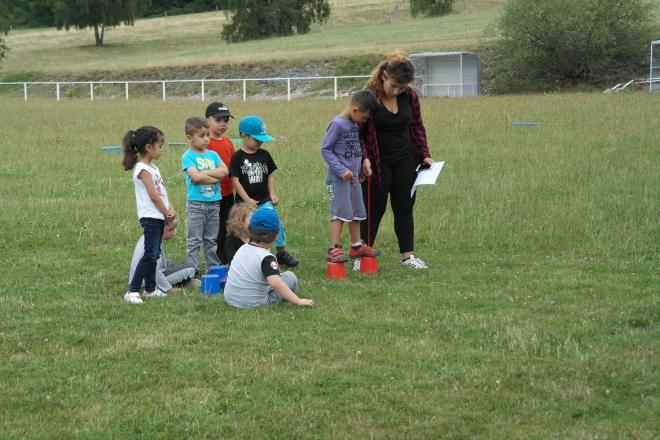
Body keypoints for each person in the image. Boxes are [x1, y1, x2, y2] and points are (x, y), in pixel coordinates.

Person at [358, 51, 434, 270]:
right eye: (394, 85)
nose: (398, 90)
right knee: (374, 209)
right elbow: (358, 132)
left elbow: (417, 126)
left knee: (404, 207)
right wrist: (364, 158)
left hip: (405, 160)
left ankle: (408, 256)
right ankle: (363, 255)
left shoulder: (409, 96)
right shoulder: (368, 97)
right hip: (376, 163)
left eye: (402, 86)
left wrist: (424, 154)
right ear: (384, 75)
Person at [229, 115, 300, 268]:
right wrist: (247, 199)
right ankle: (249, 256)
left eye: (262, 139)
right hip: (245, 204)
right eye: (256, 139)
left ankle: (281, 253)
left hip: (264, 200)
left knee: (275, 223)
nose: (260, 142)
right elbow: (235, 181)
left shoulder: (264, 154)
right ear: (243, 136)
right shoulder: (237, 158)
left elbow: (270, 175)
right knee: (247, 229)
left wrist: (272, 194)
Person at [321, 89, 382, 263]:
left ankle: (356, 246)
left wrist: (363, 163)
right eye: (364, 118)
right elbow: (325, 149)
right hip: (339, 178)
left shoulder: (353, 124)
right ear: (355, 110)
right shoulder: (337, 124)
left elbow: (354, 149)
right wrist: (341, 170)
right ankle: (334, 249)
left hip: (353, 178)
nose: (364, 121)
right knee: (340, 213)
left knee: (355, 211)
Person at [121, 126, 175, 304]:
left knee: (155, 254)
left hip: (158, 215)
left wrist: (170, 207)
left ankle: (150, 289)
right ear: (148, 147)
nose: (162, 149)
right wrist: (166, 211)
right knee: (150, 255)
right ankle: (133, 290)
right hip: (151, 217)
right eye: (160, 145)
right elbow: (153, 195)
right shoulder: (142, 169)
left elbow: (161, 192)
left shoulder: (153, 168)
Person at [224, 205, 314, 308]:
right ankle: (290, 295)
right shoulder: (267, 258)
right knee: (290, 277)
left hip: (231, 299)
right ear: (275, 235)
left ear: (250, 230)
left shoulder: (242, 248)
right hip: (254, 303)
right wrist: (297, 301)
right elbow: (275, 283)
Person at [181, 117, 229, 274]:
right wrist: (215, 178)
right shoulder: (188, 156)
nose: (207, 139)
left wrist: (205, 173)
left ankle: (212, 268)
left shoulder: (213, 155)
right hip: (197, 204)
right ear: (190, 138)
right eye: (202, 136)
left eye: (208, 135)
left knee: (211, 239)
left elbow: (225, 172)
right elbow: (195, 177)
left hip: (214, 203)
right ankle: (192, 270)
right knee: (194, 240)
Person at [128, 214, 199, 294]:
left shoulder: (149, 237)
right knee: (190, 268)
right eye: (170, 230)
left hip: (143, 280)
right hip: (146, 282)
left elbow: (161, 263)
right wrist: (169, 289)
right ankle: (181, 283)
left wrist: (174, 267)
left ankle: (185, 282)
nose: (173, 233)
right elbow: (155, 271)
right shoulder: (153, 242)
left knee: (187, 265)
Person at [206, 102, 236, 264]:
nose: (223, 124)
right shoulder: (205, 143)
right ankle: (214, 260)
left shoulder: (229, 143)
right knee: (214, 229)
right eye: (218, 120)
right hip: (211, 194)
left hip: (227, 193)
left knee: (227, 227)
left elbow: (233, 167)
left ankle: (226, 259)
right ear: (207, 120)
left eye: (226, 120)